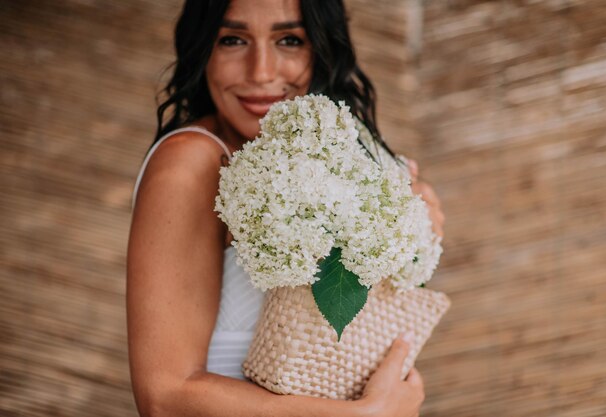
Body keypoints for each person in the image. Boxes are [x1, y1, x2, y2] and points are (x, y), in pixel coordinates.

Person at [126, 0, 445, 416]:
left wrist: (414, 223)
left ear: (322, 46)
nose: (261, 71)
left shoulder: (331, 157)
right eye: (233, 40)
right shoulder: (192, 160)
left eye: (289, 40)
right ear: (202, 47)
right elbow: (165, 397)